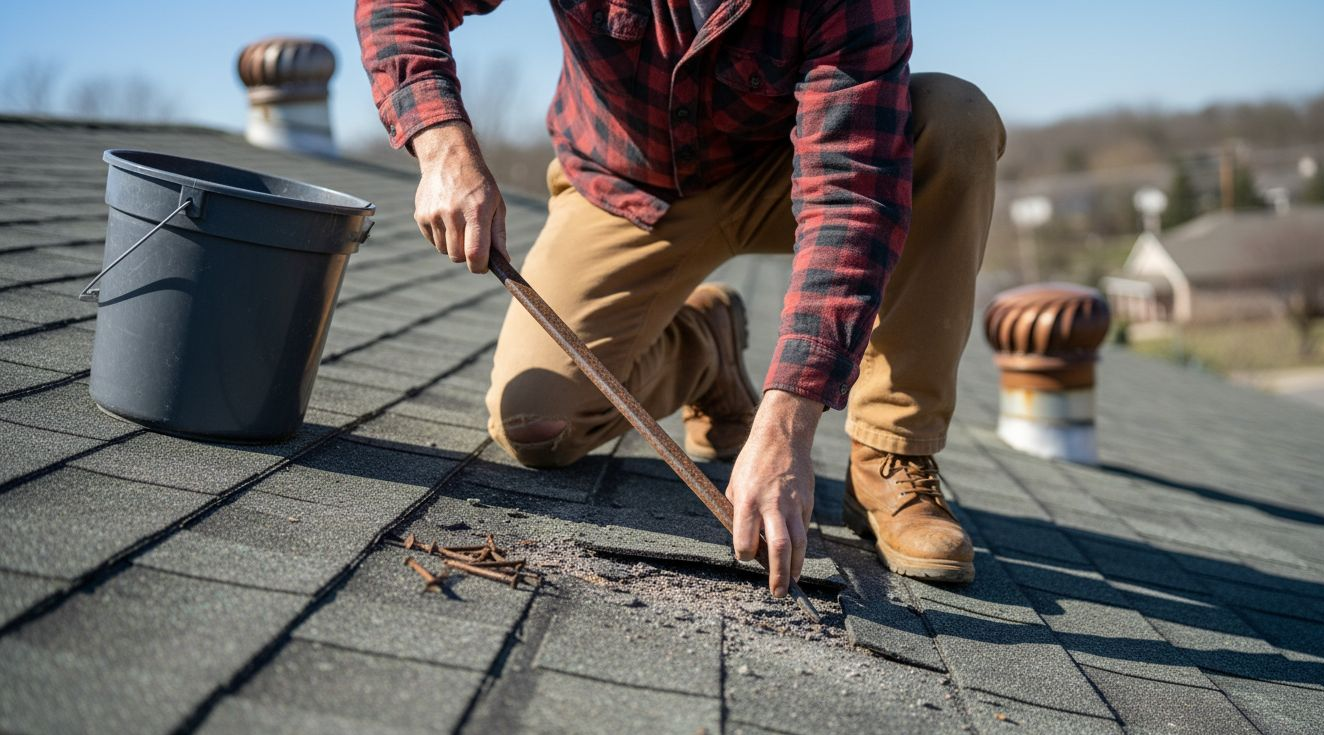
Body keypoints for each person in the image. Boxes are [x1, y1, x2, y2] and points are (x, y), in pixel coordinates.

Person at [357, 0, 1004, 595]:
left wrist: (787, 421)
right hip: (626, 186)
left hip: (786, 174)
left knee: (955, 120)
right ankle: (705, 347)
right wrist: (441, 142)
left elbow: (851, 197)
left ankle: (893, 448)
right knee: (536, 423)